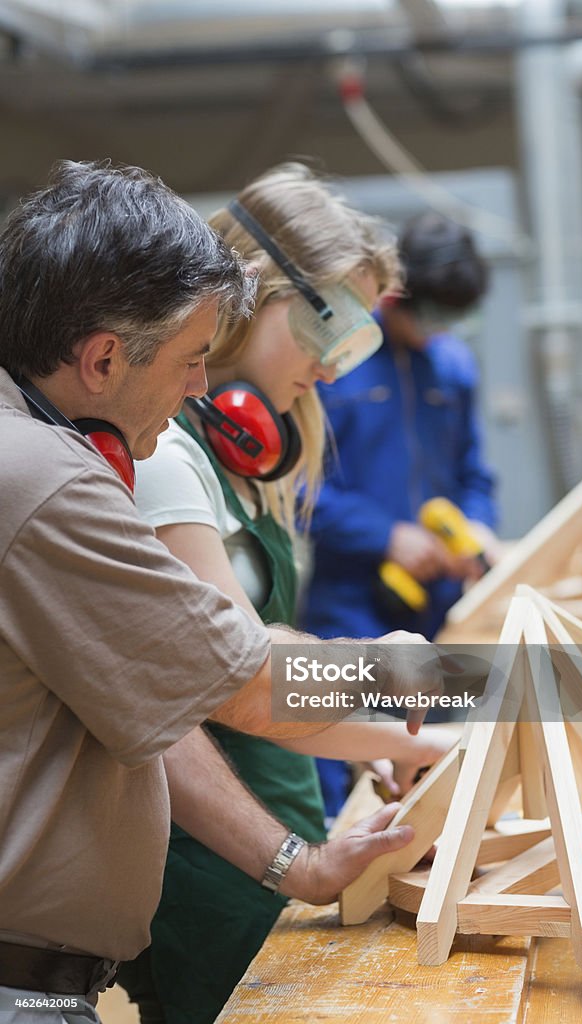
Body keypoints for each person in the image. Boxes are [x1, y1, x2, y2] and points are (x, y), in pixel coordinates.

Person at [0, 160, 441, 1024]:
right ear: (99, 359)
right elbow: (231, 682)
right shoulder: (57, 477)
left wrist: (295, 862)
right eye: (190, 359)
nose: (200, 386)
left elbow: (153, 702)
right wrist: (464, 683)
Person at [302, 210, 498, 813]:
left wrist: (477, 529)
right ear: (396, 294)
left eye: (452, 318)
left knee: (445, 764)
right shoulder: (337, 364)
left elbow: (474, 473)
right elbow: (302, 493)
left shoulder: (455, 368)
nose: (439, 329)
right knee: (348, 765)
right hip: (351, 605)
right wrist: (385, 536)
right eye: (432, 313)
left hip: (441, 607)